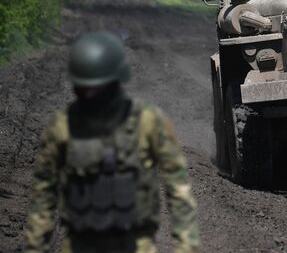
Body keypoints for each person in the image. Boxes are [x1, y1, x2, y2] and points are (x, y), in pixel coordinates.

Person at [24, 31, 199, 253]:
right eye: (85, 87)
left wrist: (186, 247)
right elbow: (43, 197)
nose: (90, 95)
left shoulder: (148, 122)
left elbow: (179, 192)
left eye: (98, 87)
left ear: (116, 81)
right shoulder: (61, 127)